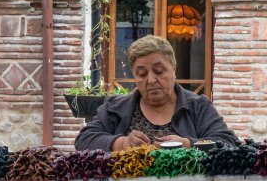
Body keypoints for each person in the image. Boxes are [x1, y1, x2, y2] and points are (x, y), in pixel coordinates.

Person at [75, 35, 239, 152]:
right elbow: (84, 140)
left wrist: (189, 144)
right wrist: (122, 143)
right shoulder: (115, 108)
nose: (151, 80)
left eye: (159, 71)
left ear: (173, 70)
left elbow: (228, 142)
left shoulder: (198, 106)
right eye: (142, 74)